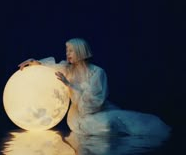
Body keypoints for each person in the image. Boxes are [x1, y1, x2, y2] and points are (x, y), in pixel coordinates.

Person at [18, 38, 171, 137]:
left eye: (70, 50)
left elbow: (94, 101)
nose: (67, 53)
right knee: (106, 126)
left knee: (111, 123)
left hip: (96, 110)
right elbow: (51, 67)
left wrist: (69, 84)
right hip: (77, 116)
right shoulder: (67, 69)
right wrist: (35, 62)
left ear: (80, 52)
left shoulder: (97, 72)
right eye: (67, 50)